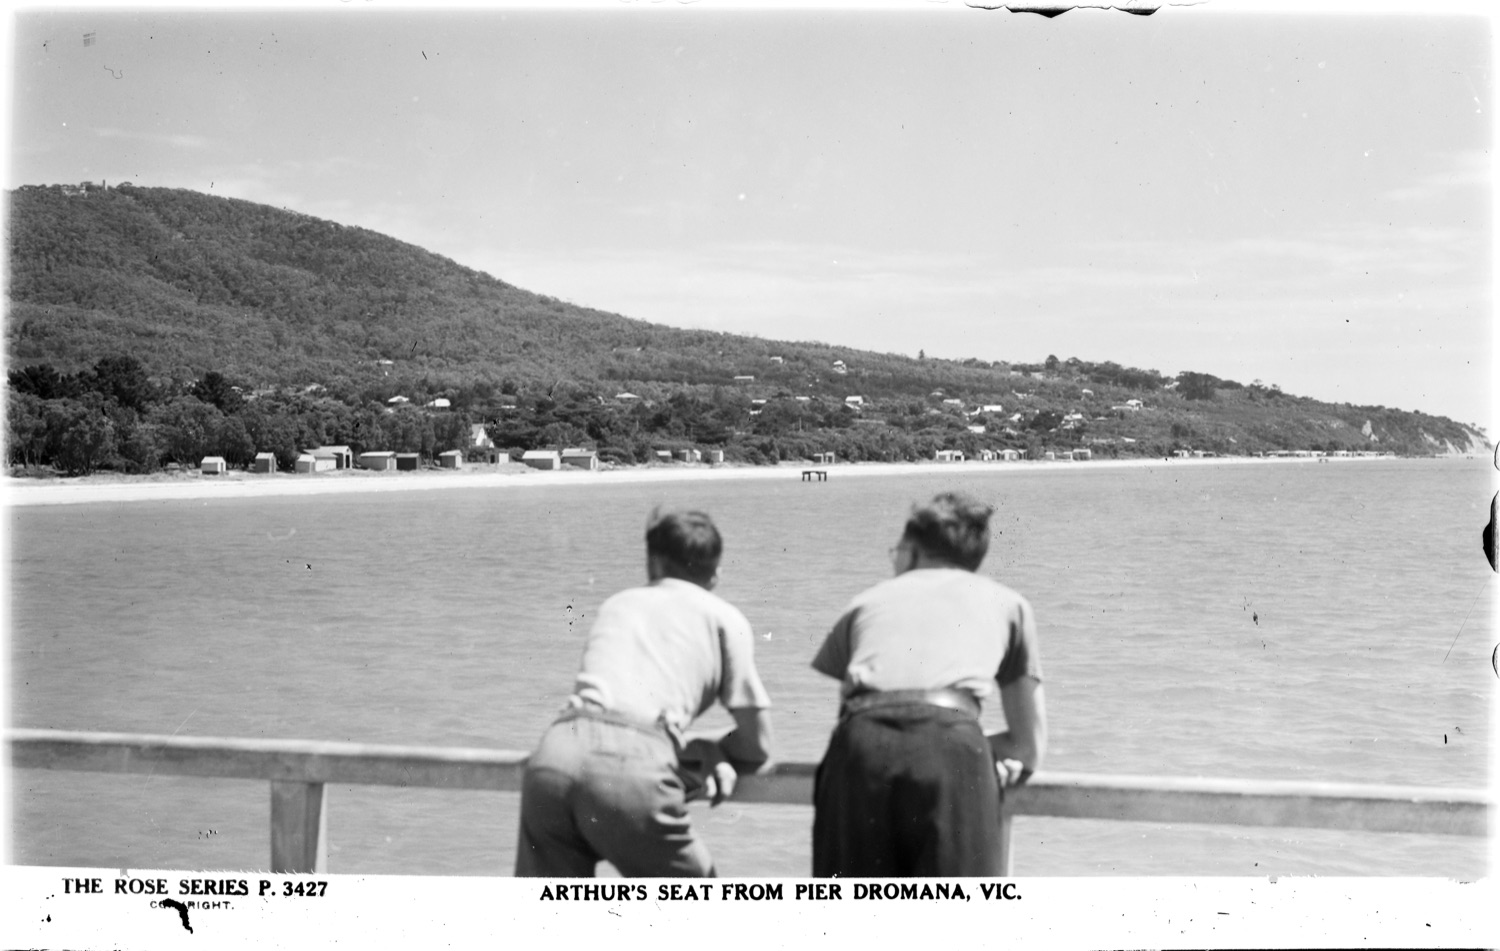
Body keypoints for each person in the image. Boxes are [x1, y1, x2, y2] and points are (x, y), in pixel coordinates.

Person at [514, 508, 775, 877]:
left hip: (554, 755)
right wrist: (705, 748)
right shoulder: (725, 618)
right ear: (716, 573)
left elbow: (611, 716)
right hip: (631, 768)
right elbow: (758, 744)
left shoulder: (616, 604)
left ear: (653, 562)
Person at [810, 491, 1047, 877]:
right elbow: (1028, 747)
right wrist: (972, 748)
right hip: (954, 750)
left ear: (912, 552)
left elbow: (853, 711)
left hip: (859, 749)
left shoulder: (865, 602)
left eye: (896, 552)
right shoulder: (1011, 604)